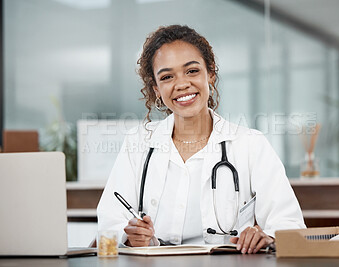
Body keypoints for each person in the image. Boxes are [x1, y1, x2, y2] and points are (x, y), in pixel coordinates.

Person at [97, 25, 305, 254]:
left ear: (211, 74)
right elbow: (110, 223)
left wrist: (265, 237)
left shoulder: (250, 145)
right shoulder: (137, 144)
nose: (182, 84)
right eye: (167, 77)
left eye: (192, 71)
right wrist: (130, 237)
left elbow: (289, 225)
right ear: (156, 89)